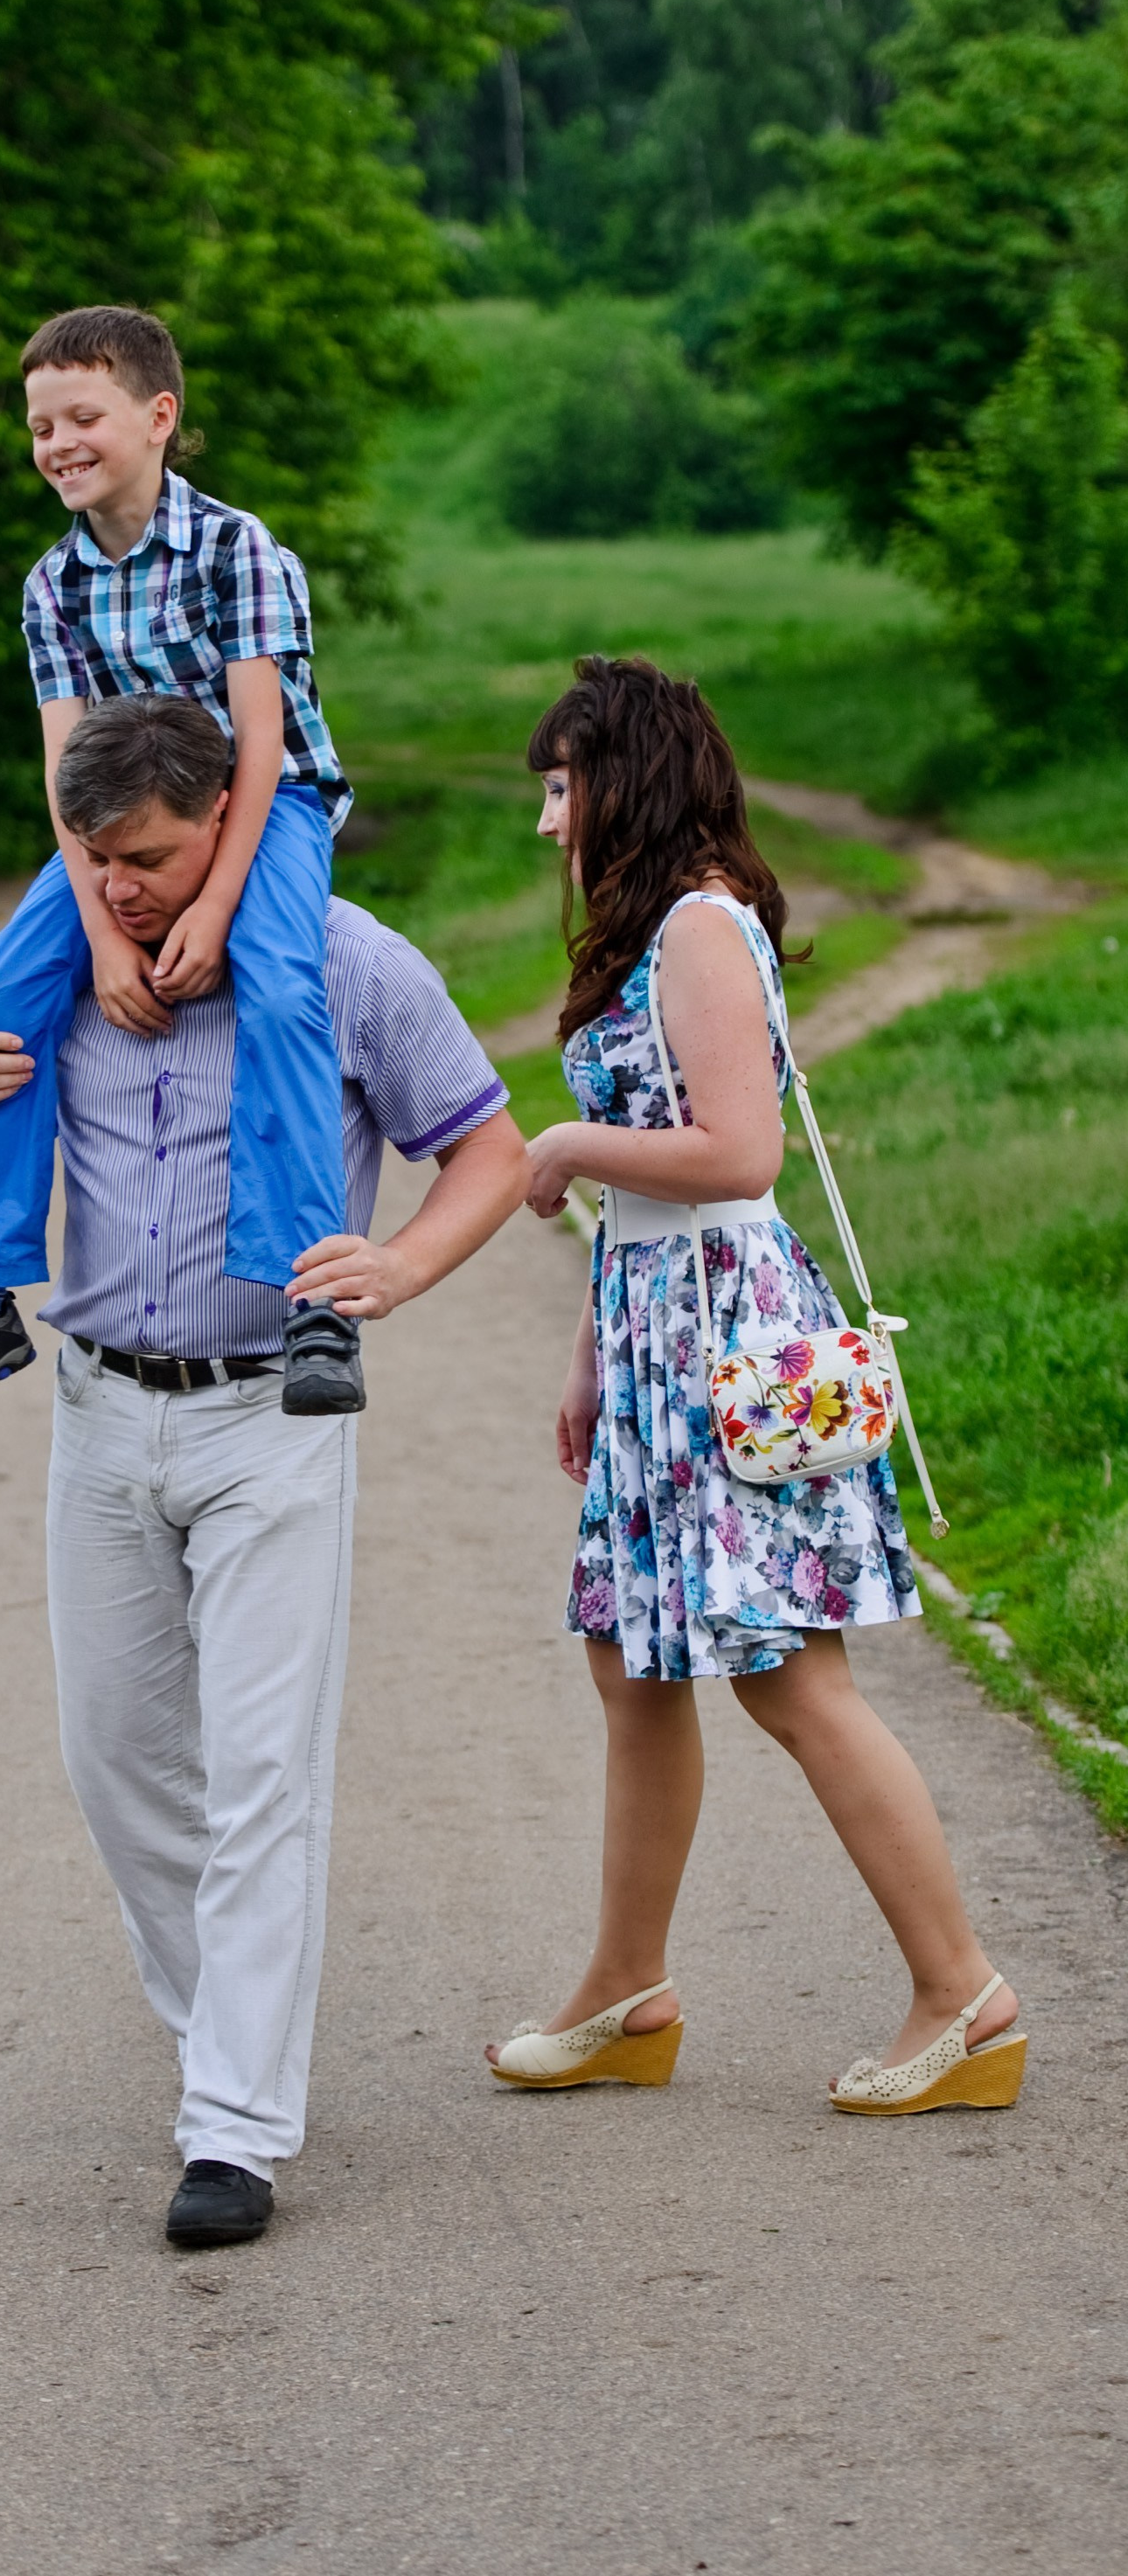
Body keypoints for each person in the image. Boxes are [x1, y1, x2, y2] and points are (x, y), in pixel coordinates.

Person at [0, 696, 527, 2243]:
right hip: (102, 1409)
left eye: (153, 857)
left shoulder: (349, 965)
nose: (120, 886)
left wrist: (400, 1268)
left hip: (272, 1421)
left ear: (230, 828)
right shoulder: (60, 969)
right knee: (115, 1761)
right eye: (98, 859)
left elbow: (493, 1150)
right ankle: (223, 2043)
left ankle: (234, 2123)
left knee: (262, 1774)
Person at [494, 654, 1025, 2116]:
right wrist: (594, 1352)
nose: (549, 822)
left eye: (561, 785)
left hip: (725, 1334)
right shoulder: (656, 929)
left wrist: (563, 1149)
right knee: (630, 1660)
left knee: (791, 1677)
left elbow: (736, 1156)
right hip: (662, 1325)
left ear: (629, 777)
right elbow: (672, 1190)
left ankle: (962, 1994)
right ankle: (624, 1989)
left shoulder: (701, 929)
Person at [0, 305, 365, 1425]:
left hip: (264, 803)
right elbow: (65, 776)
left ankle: (311, 1297)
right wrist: (102, 926)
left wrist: (219, 904)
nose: (57, 443)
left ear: (158, 416)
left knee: (283, 984)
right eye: (40, 424)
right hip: (116, 816)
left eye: (81, 416)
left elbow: (260, 740)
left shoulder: (238, 549)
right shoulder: (52, 584)